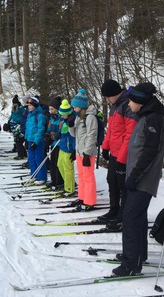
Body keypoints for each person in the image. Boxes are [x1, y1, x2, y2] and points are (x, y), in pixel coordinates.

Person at [112, 82, 164, 277]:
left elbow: (151, 151)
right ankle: (138, 256)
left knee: (131, 218)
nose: (128, 104)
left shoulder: (154, 118)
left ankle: (131, 264)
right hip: (138, 177)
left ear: (140, 101)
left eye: (131, 101)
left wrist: (134, 176)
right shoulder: (146, 116)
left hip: (144, 178)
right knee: (138, 217)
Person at [97, 80, 138, 231]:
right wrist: (105, 147)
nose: (107, 100)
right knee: (111, 181)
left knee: (123, 186)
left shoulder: (128, 105)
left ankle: (123, 214)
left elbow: (130, 135)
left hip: (124, 155)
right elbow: (111, 130)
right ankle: (114, 209)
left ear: (115, 93)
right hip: (114, 152)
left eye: (108, 97)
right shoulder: (115, 106)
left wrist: (122, 158)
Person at [69, 88, 98, 209]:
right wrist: (70, 126)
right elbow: (74, 135)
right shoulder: (78, 117)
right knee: (81, 175)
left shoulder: (90, 118)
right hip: (79, 151)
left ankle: (90, 201)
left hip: (87, 153)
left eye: (75, 107)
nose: (74, 109)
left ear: (81, 106)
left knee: (88, 176)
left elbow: (92, 136)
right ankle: (82, 197)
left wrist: (87, 153)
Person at [25, 96, 47, 185]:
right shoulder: (29, 115)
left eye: (30, 105)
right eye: (28, 105)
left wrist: (36, 141)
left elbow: (40, 129)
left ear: (34, 105)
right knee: (31, 158)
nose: (29, 107)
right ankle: (34, 174)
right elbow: (28, 128)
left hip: (38, 141)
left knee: (38, 158)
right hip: (30, 140)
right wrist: (26, 139)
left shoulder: (40, 116)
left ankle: (41, 177)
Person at [57, 99, 76, 196]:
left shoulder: (71, 121)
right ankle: (68, 183)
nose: (61, 116)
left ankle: (69, 188)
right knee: (60, 165)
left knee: (68, 168)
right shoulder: (63, 120)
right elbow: (61, 132)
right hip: (62, 146)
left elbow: (74, 137)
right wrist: (56, 135)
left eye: (62, 114)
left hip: (69, 148)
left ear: (67, 113)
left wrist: (74, 149)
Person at [45, 97, 63, 189]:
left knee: (57, 163)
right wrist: (47, 134)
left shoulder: (60, 118)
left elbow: (60, 131)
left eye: (52, 109)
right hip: (53, 143)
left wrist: (53, 136)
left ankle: (59, 181)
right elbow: (49, 128)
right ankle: (54, 180)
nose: (50, 111)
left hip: (59, 143)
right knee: (52, 162)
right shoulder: (51, 118)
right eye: (49, 109)